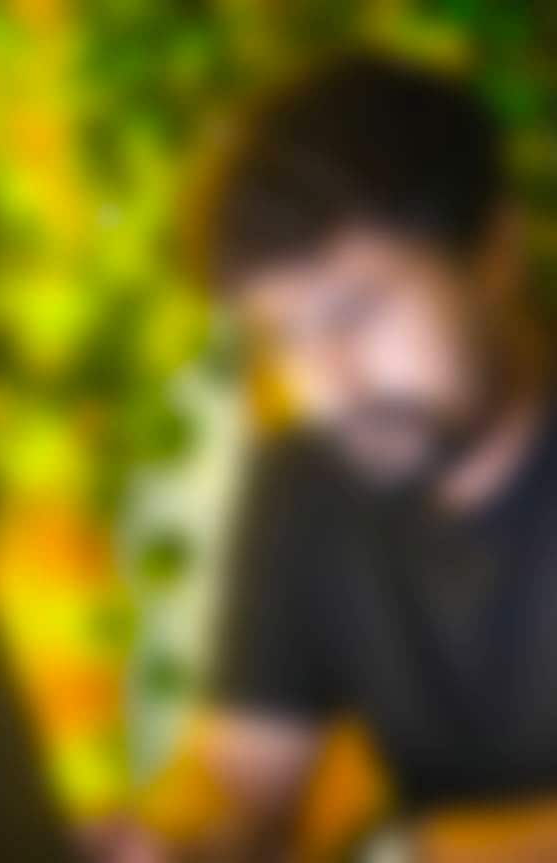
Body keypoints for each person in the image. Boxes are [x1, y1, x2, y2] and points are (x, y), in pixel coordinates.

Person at [100, 54, 557, 861]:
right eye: (283, 338)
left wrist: (413, 851)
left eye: (355, 314)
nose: (326, 385)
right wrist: (171, 840)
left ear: (495, 254)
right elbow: (242, 776)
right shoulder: (308, 480)